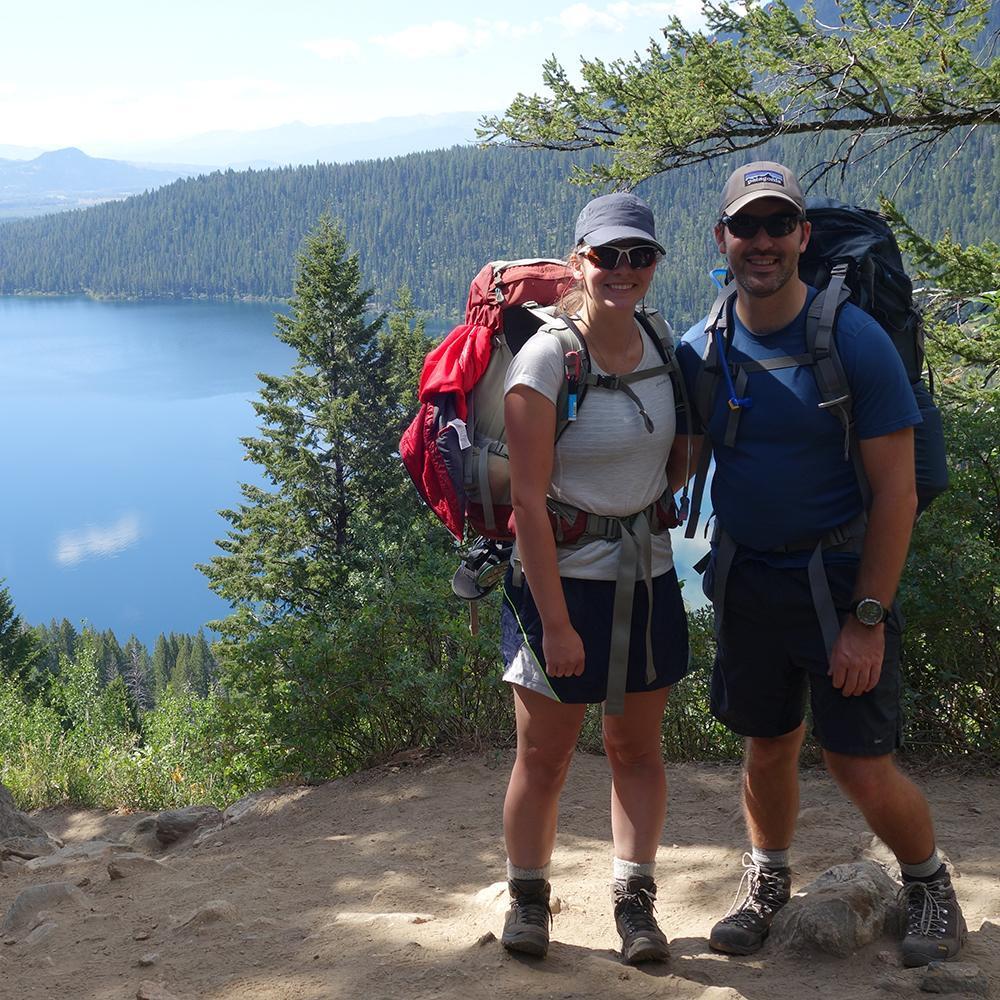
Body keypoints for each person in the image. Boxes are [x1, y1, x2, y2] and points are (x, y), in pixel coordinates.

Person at [676, 161, 966, 967]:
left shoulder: (853, 341)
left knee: (858, 762)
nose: (762, 242)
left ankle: (931, 883)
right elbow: (673, 459)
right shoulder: (705, 346)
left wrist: (867, 621)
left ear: (803, 236)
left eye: (779, 225)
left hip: (840, 580)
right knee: (766, 743)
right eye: (747, 226)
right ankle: (767, 879)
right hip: (749, 578)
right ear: (722, 239)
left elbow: (897, 494)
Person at [499, 192, 690, 964]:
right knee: (544, 757)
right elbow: (525, 501)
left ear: (654, 265)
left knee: (636, 751)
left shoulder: (660, 340)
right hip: (564, 585)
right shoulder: (546, 359)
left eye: (639, 256)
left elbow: (678, 455)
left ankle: (635, 903)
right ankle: (528, 899)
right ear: (578, 259)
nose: (623, 270)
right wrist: (555, 624)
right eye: (607, 255)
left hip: (646, 579)